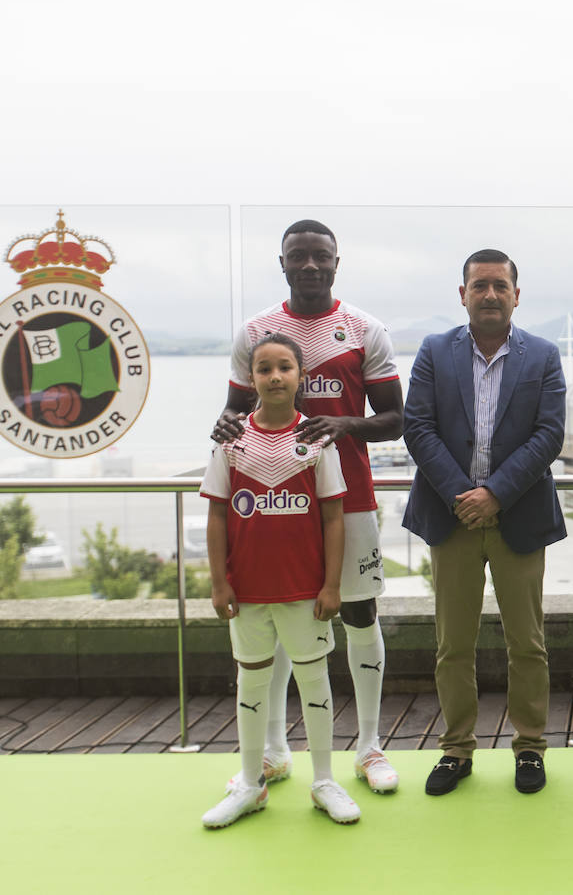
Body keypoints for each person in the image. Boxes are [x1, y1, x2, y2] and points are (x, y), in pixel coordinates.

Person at [211, 220, 404, 795]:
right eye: (300, 257)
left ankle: (369, 747)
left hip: (350, 500)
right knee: (268, 618)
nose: (311, 266)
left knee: (360, 614)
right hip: (274, 510)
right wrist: (222, 424)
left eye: (322, 256)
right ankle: (273, 751)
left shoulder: (364, 329)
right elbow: (235, 416)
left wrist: (344, 424)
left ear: (336, 263)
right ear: (284, 263)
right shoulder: (256, 332)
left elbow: (397, 419)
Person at [402, 248, 566, 796]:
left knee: (528, 642)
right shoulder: (433, 351)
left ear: (517, 294)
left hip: (518, 515)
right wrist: (462, 495)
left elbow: (549, 434)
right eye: (480, 285)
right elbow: (418, 427)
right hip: (453, 519)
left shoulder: (542, 354)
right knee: (453, 643)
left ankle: (530, 748)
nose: (490, 294)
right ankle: (456, 749)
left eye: (500, 285)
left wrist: (495, 493)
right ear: (463, 294)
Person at [200, 334, 361, 827]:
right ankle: (251, 784)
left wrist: (332, 585)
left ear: (301, 377)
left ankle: (325, 780)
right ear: (250, 380)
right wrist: (218, 583)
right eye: (264, 368)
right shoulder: (231, 442)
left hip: (304, 592)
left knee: (315, 681)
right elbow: (217, 517)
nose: (274, 376)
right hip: (246, 591)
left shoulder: (316, 441)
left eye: (285, 368)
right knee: (251, 682)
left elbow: (334, 517)